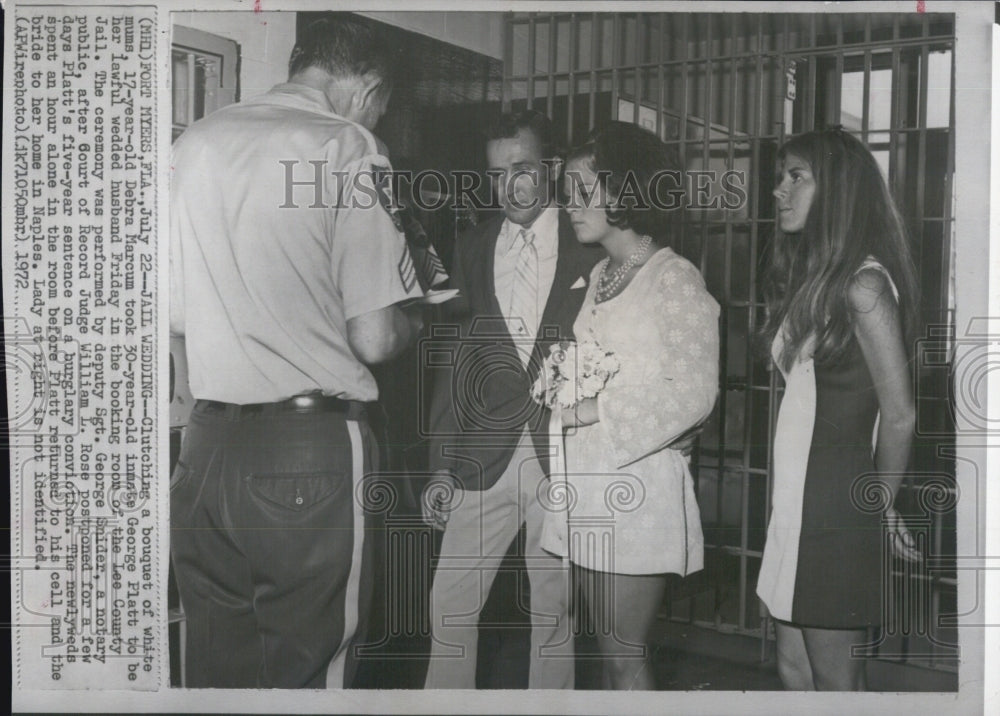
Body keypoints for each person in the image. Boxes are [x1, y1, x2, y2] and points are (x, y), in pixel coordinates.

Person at [169, 16, 426, 688]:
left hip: (205, 450)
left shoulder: (197, 142)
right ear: (368, 89)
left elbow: (173, 314)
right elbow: (373, 336)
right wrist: (416, 324)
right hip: (308, 453)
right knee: (311, 674)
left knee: (217, 672)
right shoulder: (347, 145)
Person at [421, 110, 601, 689]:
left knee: (554, 614)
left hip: (563, 451)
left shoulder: (588, 242)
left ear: (549, 167)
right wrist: (441, 466)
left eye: (522, 168)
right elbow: (454, 361)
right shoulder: (471, 247)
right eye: (497, 173)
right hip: (482, 453)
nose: (511, 187)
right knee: (448, 605)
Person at [539, 121, 719, 690]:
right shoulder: (600, 274)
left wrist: (590, 410)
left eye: (583, 188)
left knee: (624, 655)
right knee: (605, 652)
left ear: (626, 190)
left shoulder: (674, 278)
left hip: (637, 487)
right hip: (590, 481)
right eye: (567, 190)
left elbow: (693, 391)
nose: (570, 203)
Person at [756, 128, 921, 691]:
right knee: (793, 670)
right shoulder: (818, 282)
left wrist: (877, 506)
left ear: (840, 190)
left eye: (796, 176)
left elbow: (900, 415)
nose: (779, 190)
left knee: (836, 685)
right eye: (781, 177)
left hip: (836, 513)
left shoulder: (864, 286)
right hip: (795, 508)